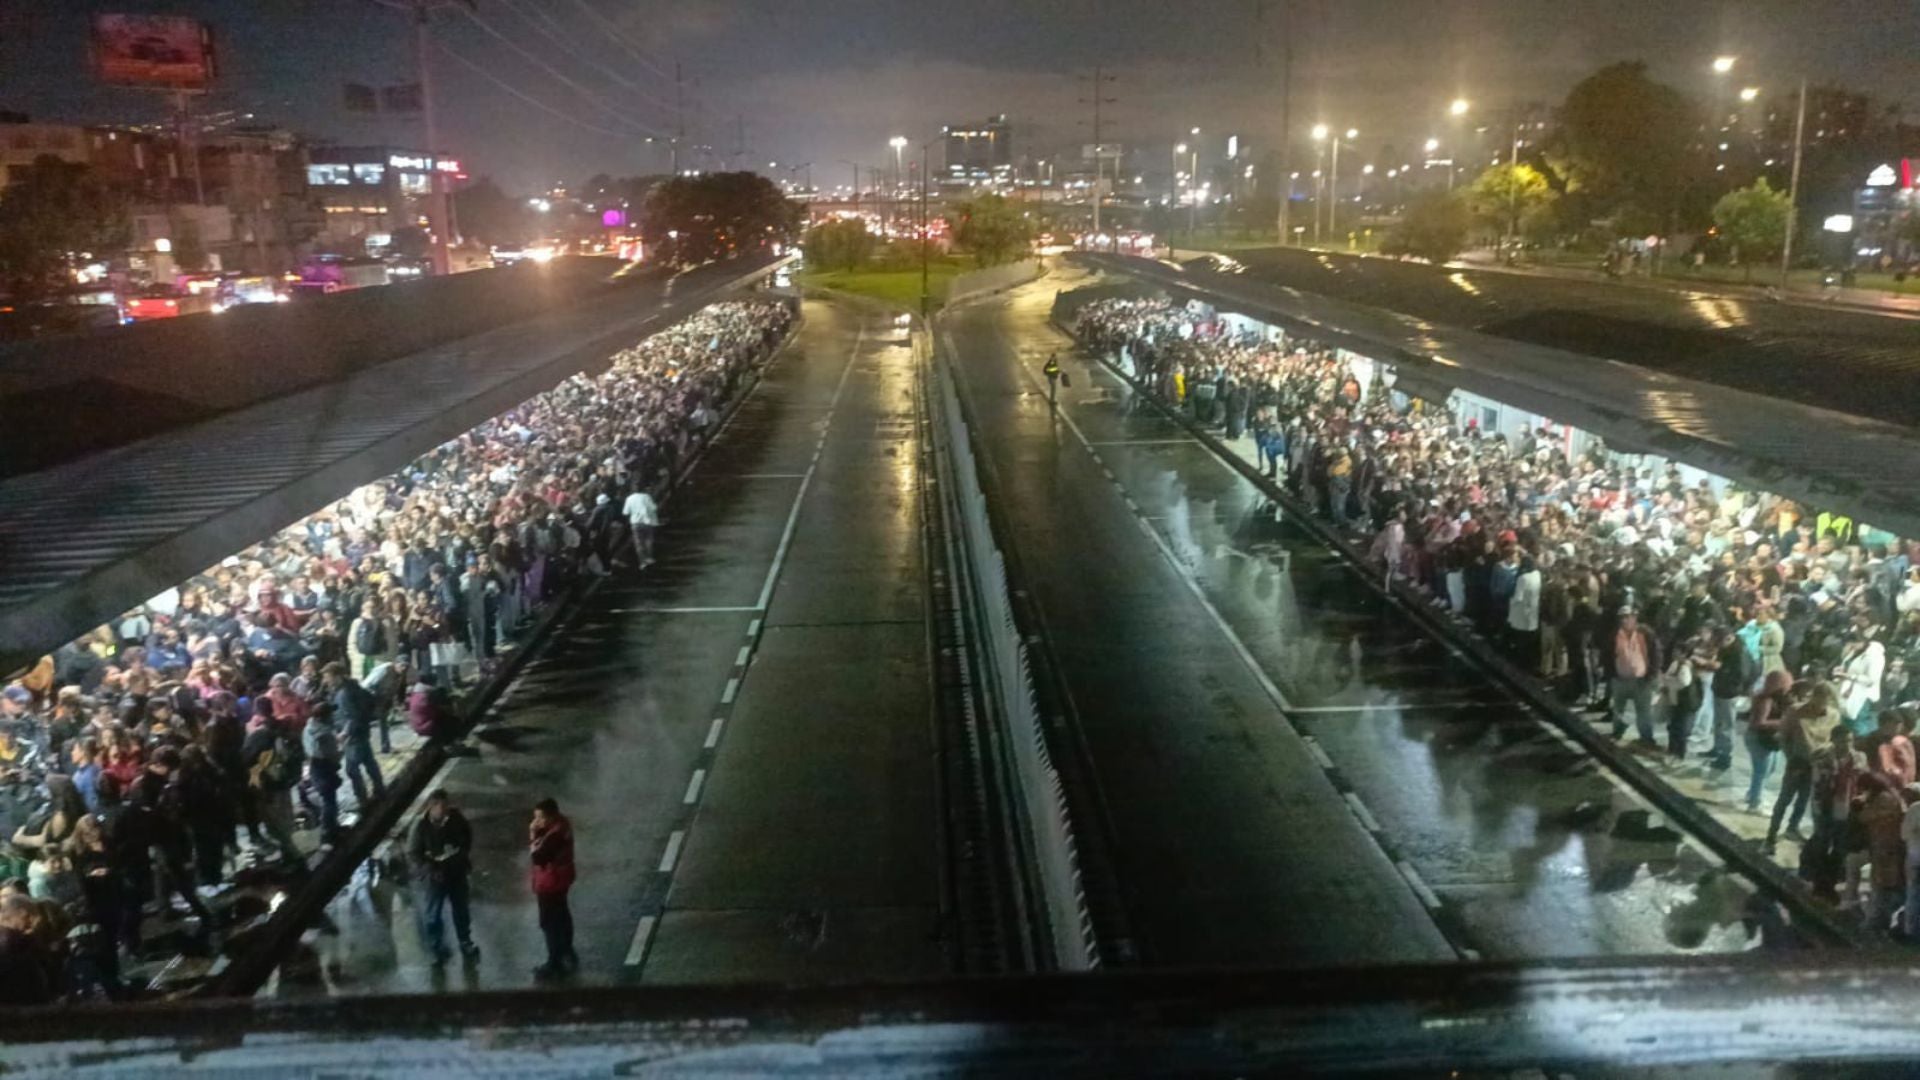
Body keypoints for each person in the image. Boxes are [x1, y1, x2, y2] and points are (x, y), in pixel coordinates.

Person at [409, 788, 478, 964]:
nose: (445, 810)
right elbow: (414, 854)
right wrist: (431, 869)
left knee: (461, 909)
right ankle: (436, 947)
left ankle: (465, 941)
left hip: (456, 872)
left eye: (446, 806)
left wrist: (461, 854)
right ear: (432, 807)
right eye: (441, 806)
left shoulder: (455, 818)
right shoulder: (421, 827)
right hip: (435, 878)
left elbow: (467, 836)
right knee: (433, 914)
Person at [528, 797, 577, 979]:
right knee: (562, 915)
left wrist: (533, 834)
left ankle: (553, 961)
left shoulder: (555, 835)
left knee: (549, 922)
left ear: (551, 817)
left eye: (540, 818)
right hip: (561, 879)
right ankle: (566, 949)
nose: (537, 822)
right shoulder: (562, 825)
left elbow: (538, 857)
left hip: (550, 882)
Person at [323, 663, 385, 808]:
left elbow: (352, 716)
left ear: (337, 676)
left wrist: (345, 733)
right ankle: (380, 789)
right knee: (369, 762)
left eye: (328, 677)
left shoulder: (344, 693)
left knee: (352, 769)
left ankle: (363, 799)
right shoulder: (352, 687)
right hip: (362, 731)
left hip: (353, 736)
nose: (326, 680)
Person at [1609, 608, 1661, 748]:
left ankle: (1646, 738)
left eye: (1627, 617)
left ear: (1634, 618)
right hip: (1620, 679)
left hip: (1641, 680)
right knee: (1618, 709)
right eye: (1622, 617)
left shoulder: (1646, 633)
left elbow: (1656, 654)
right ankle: (1617, 733)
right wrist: (1611, 673)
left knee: (1643, 711)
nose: (1624, 620)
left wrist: (1651, 675)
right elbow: (1608, 654)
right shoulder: (1615, 634)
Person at [622, 484, 661, 569]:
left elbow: (625, 512)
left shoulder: (629, 498)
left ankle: (642, 562)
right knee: (648, 540)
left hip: (635, 523)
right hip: (647, 522)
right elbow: (653, 508)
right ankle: (649, 558)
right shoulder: (646, 497)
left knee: (638, 543)